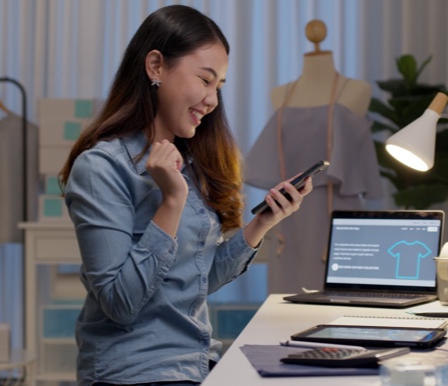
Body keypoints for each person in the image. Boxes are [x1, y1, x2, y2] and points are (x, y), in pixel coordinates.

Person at [58, 5, 312, 386]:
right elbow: (120, 304)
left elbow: (194, 279)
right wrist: (171, 202)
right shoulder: (100, 169)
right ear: (155, 66)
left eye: (219, 86)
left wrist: (262, 223)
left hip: (195, 363)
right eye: (205, 80)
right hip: (133, 372)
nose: (212, 100)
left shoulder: (188, 164)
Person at [244, 20, 383, 294]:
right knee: (287, 299)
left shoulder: (356, 90)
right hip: (289, 215)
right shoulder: (281, 94)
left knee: (346, 299)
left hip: (339, 210)